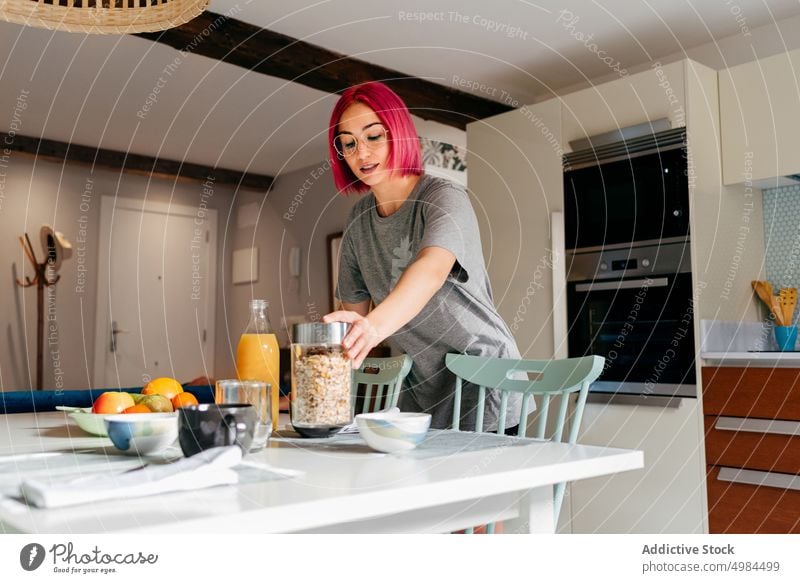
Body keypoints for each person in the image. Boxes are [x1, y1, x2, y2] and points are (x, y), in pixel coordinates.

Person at [323, 82, 521, 432]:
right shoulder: (357, 222)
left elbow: (431, 269)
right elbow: (353, 319)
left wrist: (373, 327)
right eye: (349, 143)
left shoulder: (444, 198)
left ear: (397, 133)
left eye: (373, 136)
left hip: (482, 375)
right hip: (419, 386)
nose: (361, 153)